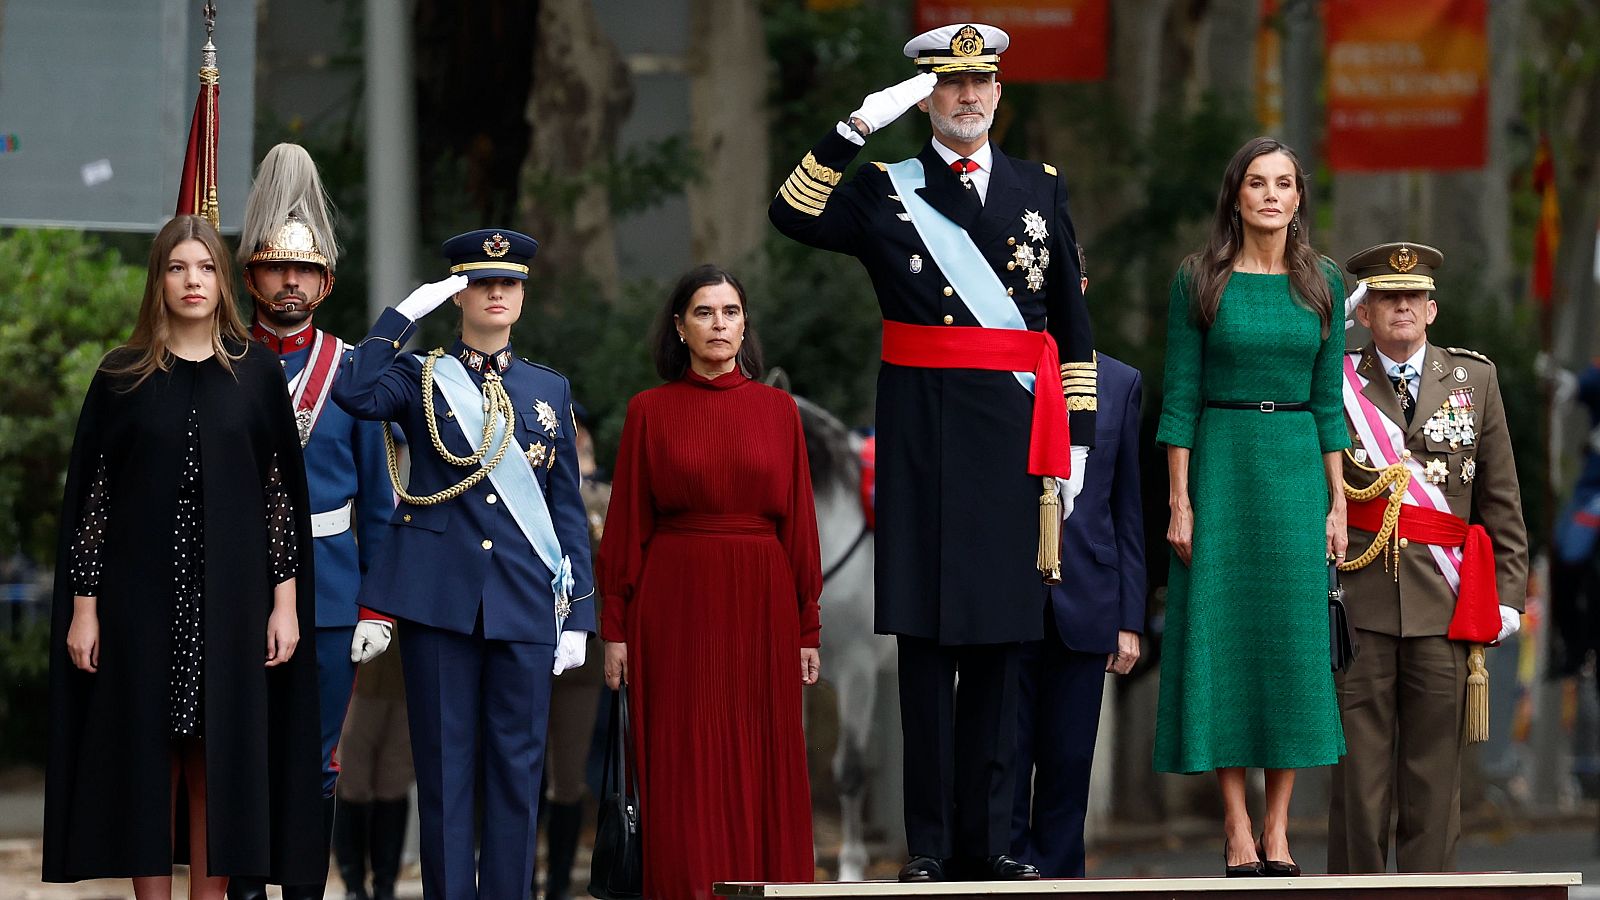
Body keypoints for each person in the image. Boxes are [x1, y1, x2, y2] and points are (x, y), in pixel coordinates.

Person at [767, 23, 1094, 882]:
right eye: (948, 85)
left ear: (999, 93)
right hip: (922, 439)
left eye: (980, 83)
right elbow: (789, 213)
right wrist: (854, 128)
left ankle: (993, 840)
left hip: (1017, 443)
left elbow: (1071, 326)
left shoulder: (1039, 189)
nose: (967, 97)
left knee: (1000, 646)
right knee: (925, 650)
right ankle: (931, 844)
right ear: (925, 96)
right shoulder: (884, 189)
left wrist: (1082, 443)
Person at [43, 214, 324, 896]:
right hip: (140, 609)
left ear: (221, 280)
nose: (191, 280)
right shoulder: (121, 375)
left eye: (203, 267)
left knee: (218, 769)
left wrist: (284, 604)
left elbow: (279, 496)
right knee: (147, 766)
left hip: (231, 607)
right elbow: (94, 505)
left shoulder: (254, 373)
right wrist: (85, 610)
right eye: (177, 268)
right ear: (158, 281)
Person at [331, 229, 596, 899]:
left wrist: (579, 616)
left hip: (524, 600)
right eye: (482, 282)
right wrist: (402, 317)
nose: (498, 292)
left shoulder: (549, 388)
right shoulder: (420, 375)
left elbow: (566, 507)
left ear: (524, 294)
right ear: (459, 293)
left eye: (509, 283)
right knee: (446, 776)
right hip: (441, 598)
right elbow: (354, 392)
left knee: (517, 774)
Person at [1154, 136, 1350, 877]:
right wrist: (1180, 499)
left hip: (1296, 468)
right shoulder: (1198, 278)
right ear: (1235, 195)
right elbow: (1179, 397)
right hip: (1223, 463)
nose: (1271, 195)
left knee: (1293, 649)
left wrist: (1336, 503)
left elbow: (1329, 403)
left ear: (1300, 199)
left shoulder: (1323, 283)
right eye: (1257, 183)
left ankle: (1279, 829)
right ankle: (1234, 826)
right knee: (1222, 643)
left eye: (1285, 183)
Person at [597, 264, 823, 900]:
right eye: (704, 312)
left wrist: (809, 625)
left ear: (745, 323)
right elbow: (625, 528)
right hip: (674, 606)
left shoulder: (779, 411)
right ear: (680, 327)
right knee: (683, 762)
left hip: (763, 602)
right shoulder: (649, 411)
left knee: (762, 759)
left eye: (729, 312)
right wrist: (614, 627)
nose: (718, 324)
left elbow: (801, 524)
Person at [228, 142, 397, 900]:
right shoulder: (222, 360)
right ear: (251, 275)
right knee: (237, 754)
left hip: (330, 595)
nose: (289, 280)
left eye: (304, 269)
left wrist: (376, 605)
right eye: (274, 266)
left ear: (326, 280)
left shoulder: (352, 370)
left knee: (317, 760)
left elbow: (381, 505)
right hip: (232, 587)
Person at [1327, 242, 1528, 873]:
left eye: (1413, 297)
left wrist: (1507, 599)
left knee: (1435, 783)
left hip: (1445, 606)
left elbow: (1501, 501)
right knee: (1358, 782)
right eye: (1387, 297)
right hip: (1358, 601)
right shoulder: (1334, 380)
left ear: (1432, 309)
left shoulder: (1476, 380)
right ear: (1366, 312)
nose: (1402, 307)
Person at [1010, 251, 1145, 878]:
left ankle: (1061, 883)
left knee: (1067, 764)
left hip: (1087, 600)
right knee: (1001, 758)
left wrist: (1129, 618)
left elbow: (1128, 511)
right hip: (1005, 598)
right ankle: (998, 874)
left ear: (1083, 286)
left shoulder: (1119, 382)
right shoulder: (994, 374)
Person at [538, 404, 609, 900]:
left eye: (577, 432)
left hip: (582, 661)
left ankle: (560, 883)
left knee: (567, 776)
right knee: (517, 768)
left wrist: (584, 491)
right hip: (526, 647)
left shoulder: (605, 498)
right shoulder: (528, 493)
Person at [332, 628, 413, 900]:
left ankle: (386, 884)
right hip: (360, 677)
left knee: (394, 783)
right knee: (351, 782)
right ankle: (353, 884)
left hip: (406, 681)